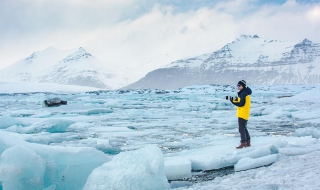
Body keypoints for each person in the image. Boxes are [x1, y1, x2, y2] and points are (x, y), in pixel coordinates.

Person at [230, 80, 252, 149]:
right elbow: (241, 101)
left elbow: (241, 104)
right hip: (244, 112)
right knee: (244, 128)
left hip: (242, 113)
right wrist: (234, 99)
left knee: (241, 129)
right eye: (237, 85)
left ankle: (243, 143)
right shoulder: (245, 93)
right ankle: (247, 142)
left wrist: (233, 102)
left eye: (239, 85)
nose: (238, 87)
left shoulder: (243, 93)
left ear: (243, 86)